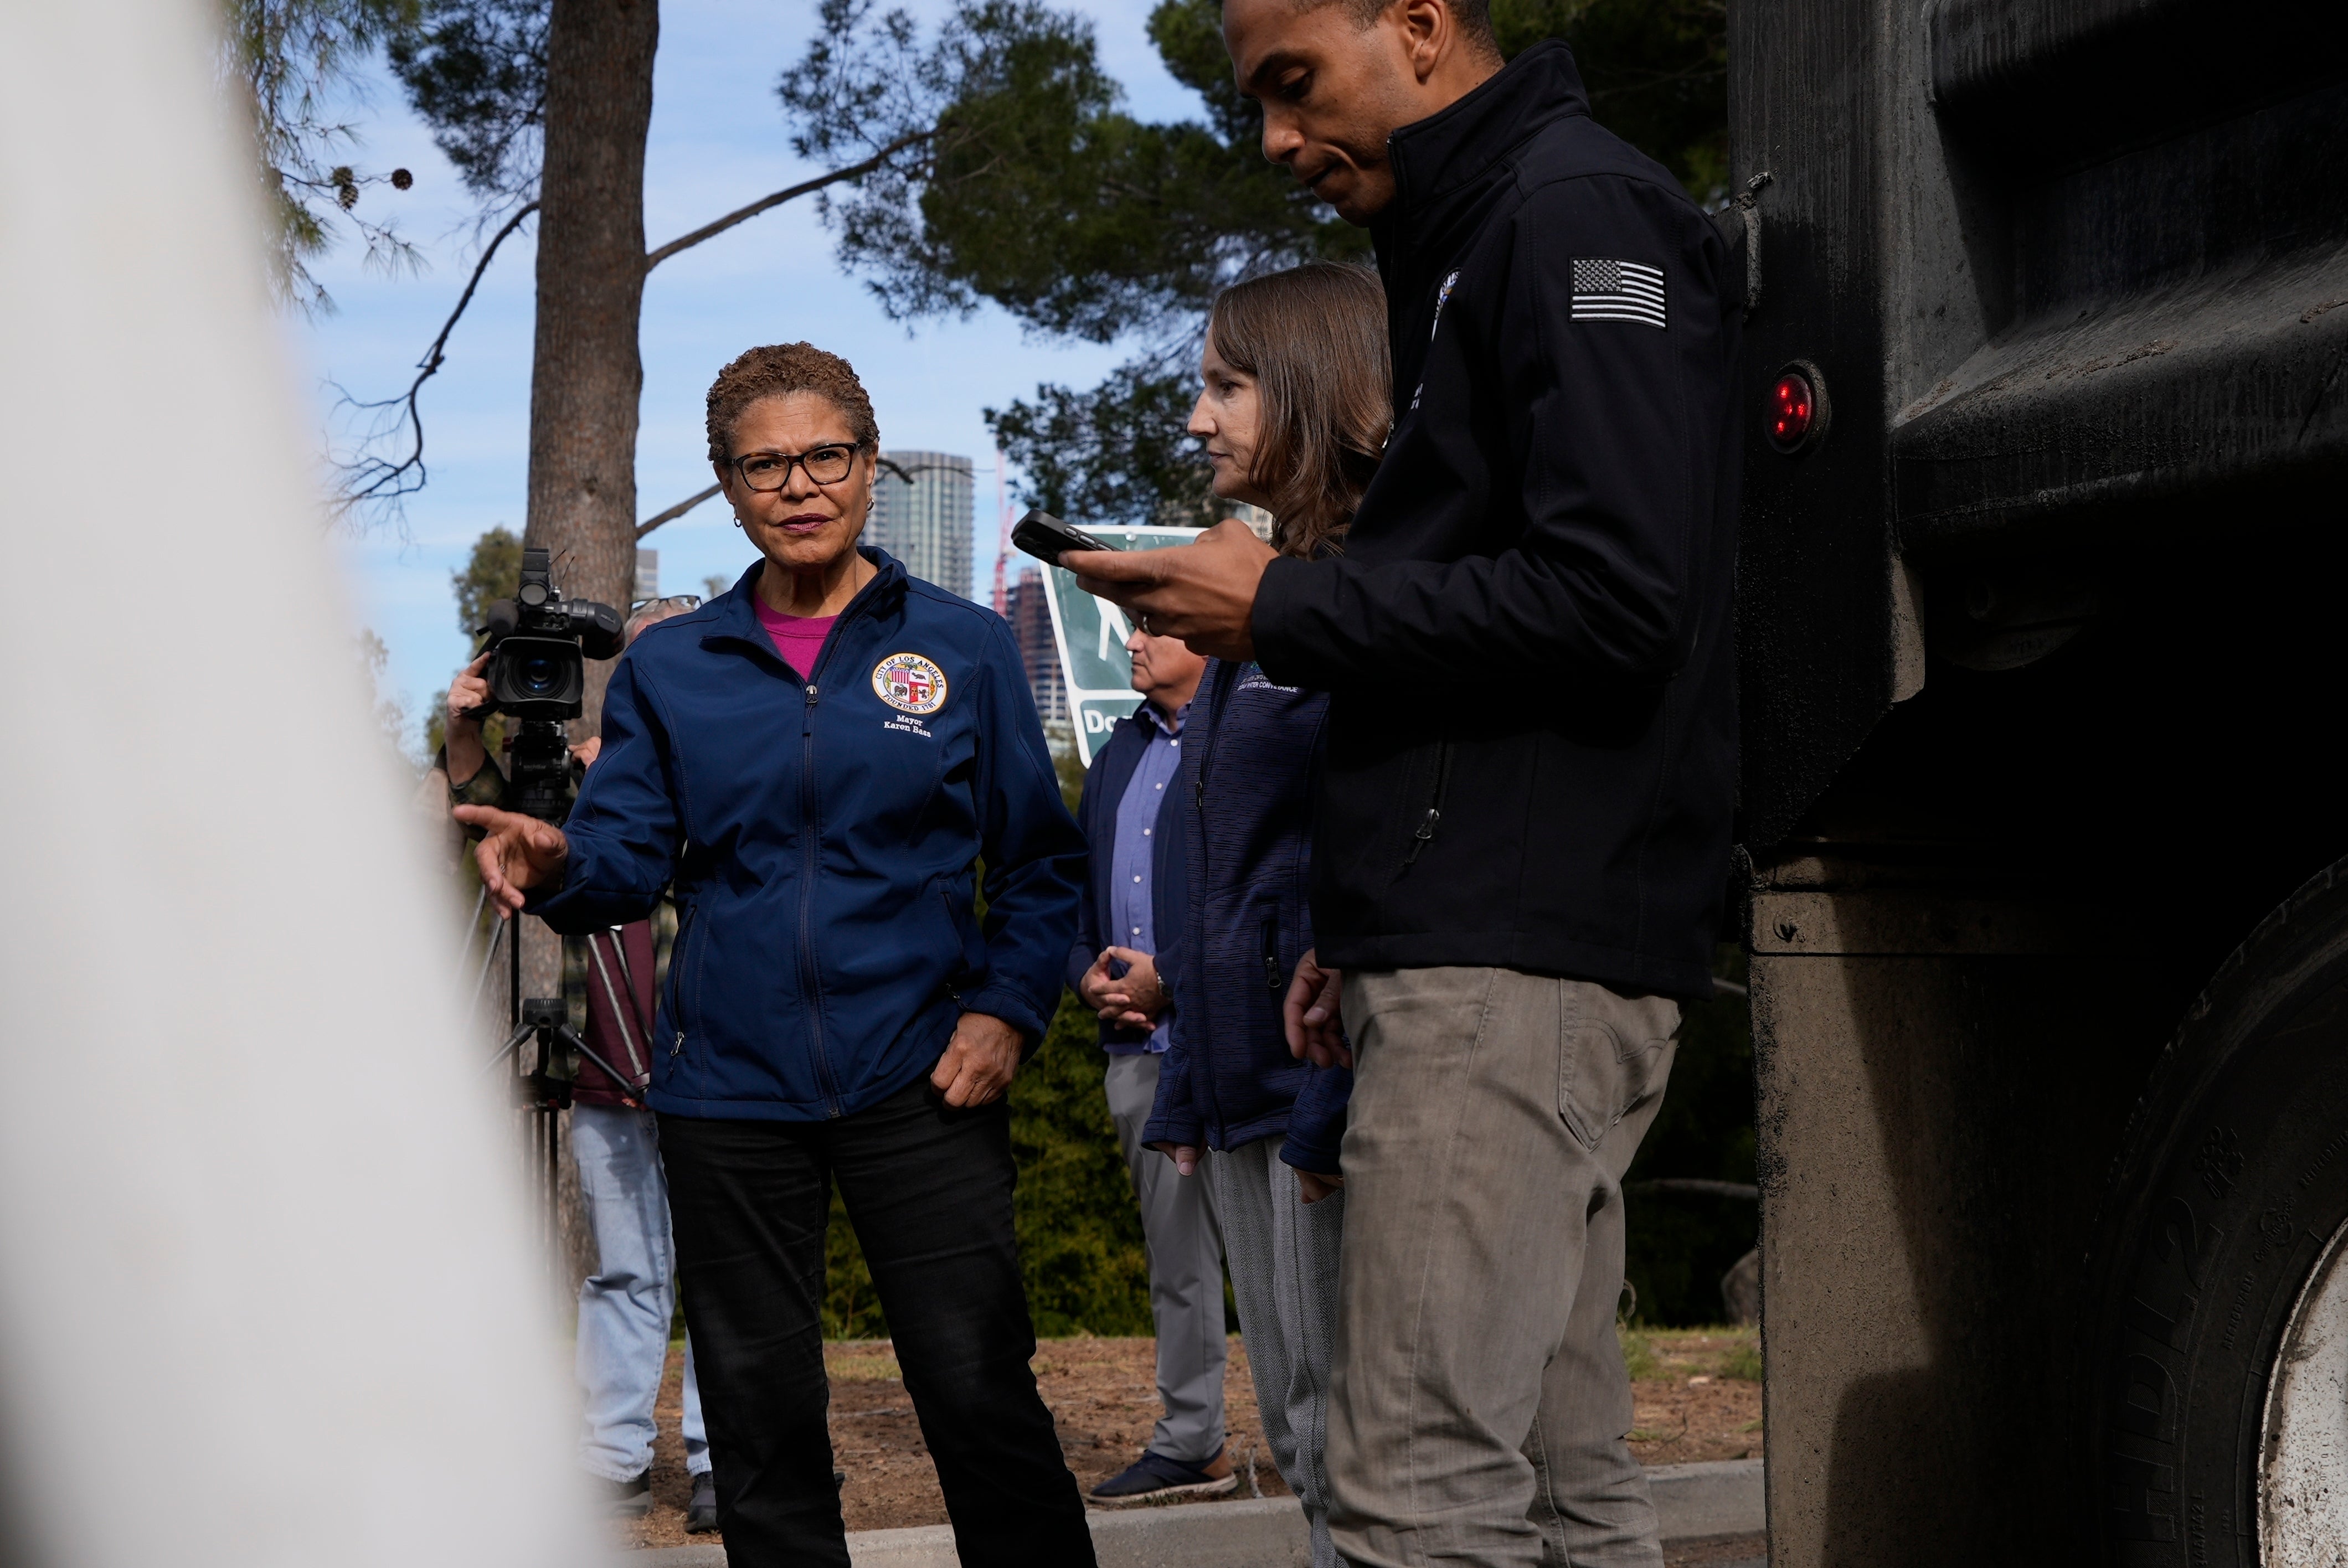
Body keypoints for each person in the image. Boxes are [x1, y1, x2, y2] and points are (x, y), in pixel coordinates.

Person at [1070, 3, 1743, 1565]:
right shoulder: (1471, 239)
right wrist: (1356, 920)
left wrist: (1282, 606)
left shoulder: (1569, 214)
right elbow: (1490, 638)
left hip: (1521, 959)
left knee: (1414, 1502)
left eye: (1292, 86)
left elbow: (1619, 599)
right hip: (1493, 941)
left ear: (1425, 27)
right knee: (1571, 1502)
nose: (1275, 142)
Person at [454, 342, 1095, 1568]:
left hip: (924, 1078)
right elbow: (625, 856)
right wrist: (555, 865)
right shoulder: (672, 667)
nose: (798, 485)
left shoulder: (960, 648)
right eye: (764, 466)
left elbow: (1038, 864)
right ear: (728, 486)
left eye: (824, 456)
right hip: (727, 1093)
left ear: (867, 465)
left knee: (978, 1401)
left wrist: (1007, 1010)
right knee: (758, 1427)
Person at [1140, 260, 1386, 1568]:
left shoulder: (1369, 601)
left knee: (1354, 1448)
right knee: (1298, 1437)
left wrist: (1323, 1110)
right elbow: (1220, 878)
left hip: (1317, 1094)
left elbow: (1360, 874)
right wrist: (1184, 1082)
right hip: (1235, 1089)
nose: (1196, 419)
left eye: (1226, 385)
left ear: (1311, 387)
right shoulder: (1258, 612)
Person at [444, 596, 720, 1532]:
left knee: (727, 1269)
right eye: (641, 655)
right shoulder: (590, 773)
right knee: (624, 1273)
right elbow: (492, 828)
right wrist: (465, 728)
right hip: (605, 1057)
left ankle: (732, 1462)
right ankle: (614, 1459)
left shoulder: (735, 751)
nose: (659, 668)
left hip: (714, 1064)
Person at [1067, 623, 1233, 1504]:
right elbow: (1068, 887)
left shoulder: (1256, 725)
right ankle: (1194, 1440)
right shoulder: (1118, 752)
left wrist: (1175, 974)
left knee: (1297, 1259)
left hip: (1247, 1048)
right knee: (1178, 1262)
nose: (1131, 640)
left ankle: (1335, 1441)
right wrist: (1086, 975)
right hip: (1140, 1052)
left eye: (1155, 626)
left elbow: (1271, 886)